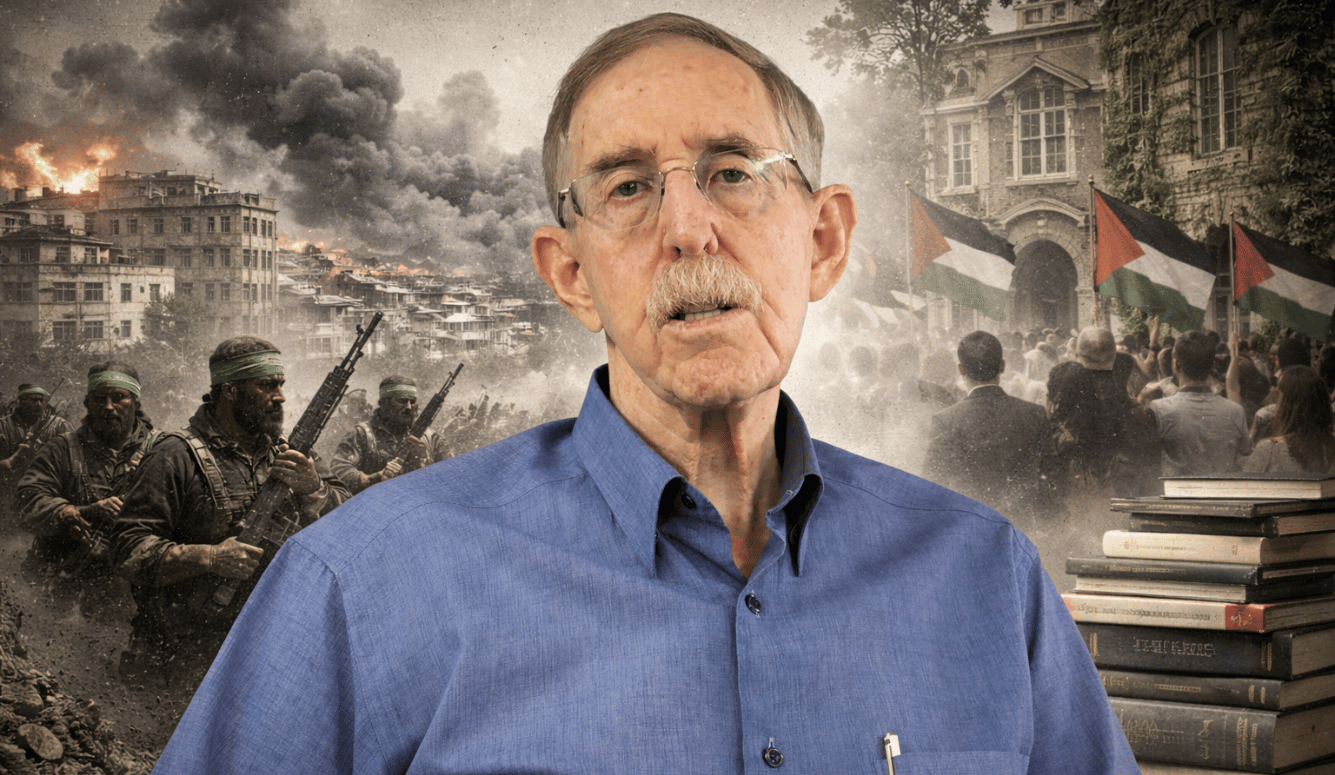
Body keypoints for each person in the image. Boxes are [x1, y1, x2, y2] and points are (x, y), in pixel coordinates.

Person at [152, 14, 1136, 772]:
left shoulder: (985, 580)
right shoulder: (359, 591)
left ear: (825, 241)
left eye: (736, 173)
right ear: (570, 272)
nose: (689, 229)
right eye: (626, 188)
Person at [109, 336, 350, 688]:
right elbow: (125, 549)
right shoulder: (175, 456)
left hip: (268, 650)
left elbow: (351, 523)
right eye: (266, 386)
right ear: (230, 391)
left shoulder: (290, 455)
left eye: (280, 385)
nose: (280, 397)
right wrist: (209, 557)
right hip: (184, 654)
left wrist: (315, 488)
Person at [15, 362, 160, 618]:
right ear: (87, 402)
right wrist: (69, 511)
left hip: (132, 593)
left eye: (119, 398)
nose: (108, 406)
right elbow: (27, 499)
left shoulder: (162, 450)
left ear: (136, 402)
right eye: (99, 398)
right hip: (64, 585)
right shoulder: (61, 448)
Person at [922, 330, 1056, 517]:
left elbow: (931, 486)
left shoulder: (944, 421)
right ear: (1002, 366)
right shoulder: (1034, 414)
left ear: (961, 370)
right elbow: (1052, 477)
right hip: (1026, 527)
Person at [1150, 331, 1250, 478]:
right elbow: (1244, 457)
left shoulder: (1158, 409)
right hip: (1223, 496)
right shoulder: (1236, 411)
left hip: (1177, 496)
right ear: (1211, 365)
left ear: (1177, 364)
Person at [330, 375, 451, 494]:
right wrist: (374, 478)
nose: (408, 407)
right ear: (384, 403)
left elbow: (452, 479)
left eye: (412, 402)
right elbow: (339, 472)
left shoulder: (432, 439)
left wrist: (425, 460)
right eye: (402, 401)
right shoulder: (361, 434)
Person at [0, 383, 73, 527]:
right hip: (9, 492)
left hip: (47, 492)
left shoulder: (59, 425)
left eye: (42, 400)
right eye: (34, 400)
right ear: (21, 402)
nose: (39, 404)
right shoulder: (3, 426)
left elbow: (73, 459)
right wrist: (17, 457)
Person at [1243, 365, 1335, 473]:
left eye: (1279, 396)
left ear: (1286, 403)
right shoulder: (1329, 446)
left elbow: (1246, 487)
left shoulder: (1269, 450)